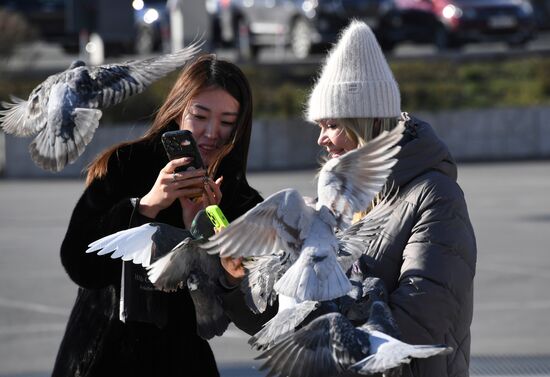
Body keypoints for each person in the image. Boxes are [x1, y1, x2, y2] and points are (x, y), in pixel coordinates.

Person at [52, 54, 275, 377]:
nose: (212, 132)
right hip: (101, 356)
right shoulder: (126, 164)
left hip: (180, 360)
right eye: (200, 116)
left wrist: (203, 231)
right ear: (179, 110)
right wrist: (145, 206)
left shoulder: (240, 200)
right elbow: (78, 262)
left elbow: (257, 313)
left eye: (227, 122)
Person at [305, 21, 477, 377]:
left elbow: (416, 323)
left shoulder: (435, 195)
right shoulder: (339, 197)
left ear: (365, 124)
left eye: (331, 125)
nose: (321, 139)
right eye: (319, 126)